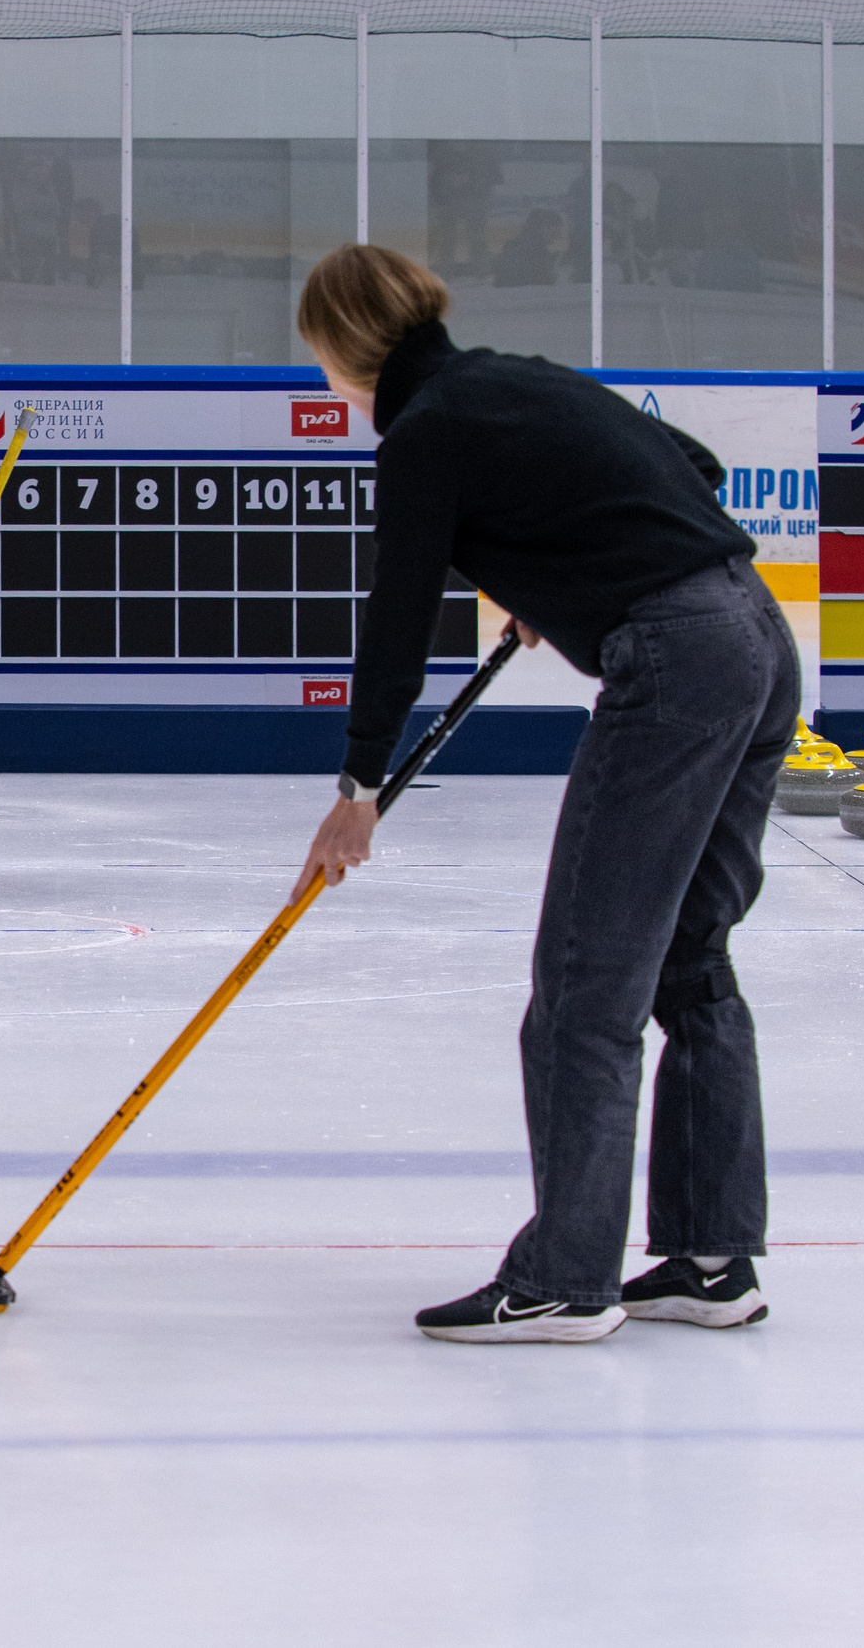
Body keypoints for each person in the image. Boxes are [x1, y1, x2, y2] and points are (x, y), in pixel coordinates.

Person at [289, 244, 797, 1344]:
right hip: (755, 634)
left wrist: (361, 782)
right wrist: (560, 573)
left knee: (585, 981)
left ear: (341, 344)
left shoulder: (423, 432)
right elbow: (693, 467)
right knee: (689, 958)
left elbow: (398, 615)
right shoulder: (517, 377)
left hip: (675, 666)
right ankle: (710, 1256)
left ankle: (568, 1276)